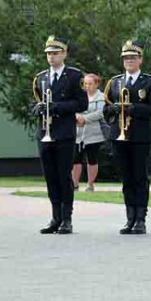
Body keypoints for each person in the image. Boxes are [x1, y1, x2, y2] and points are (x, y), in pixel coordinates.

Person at [103, 40, 151, 235]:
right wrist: (114, 108)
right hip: (119, 136)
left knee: (139, 177)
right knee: (127, 178)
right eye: (126, 58)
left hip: (139, 136)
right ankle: (129, 218)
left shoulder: (149, 82)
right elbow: (106, 109)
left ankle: (140, 219)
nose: (129, 60)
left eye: (133, 57)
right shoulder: (115, 82)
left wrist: (134, 109)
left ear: (140, 60)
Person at [31, 36, 87, 234]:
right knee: (50, 177)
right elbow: (35, 101)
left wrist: (58, 107)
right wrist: (37, 109)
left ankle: (66, 219)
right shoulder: (41, 77)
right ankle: (55, 217)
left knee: (64, 177)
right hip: (45, 133)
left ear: (64, 54)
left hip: (63, 133)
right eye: (48, 54)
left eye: (55, 53)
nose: (51, 57)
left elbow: (82, 104)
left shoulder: (73, 76)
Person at [72, 73, 107, 191]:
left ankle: (90, 184)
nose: (87, 86)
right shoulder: (79, 96)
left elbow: (100, 112)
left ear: (97, 84)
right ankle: (75, 184)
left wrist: (84, 119)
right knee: (75, 159)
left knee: (92, 159)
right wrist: (77, 117)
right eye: (85, 83)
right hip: (77, 133)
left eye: (90, 83)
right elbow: (73, 108)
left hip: (94, 134)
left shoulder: (101, 96)